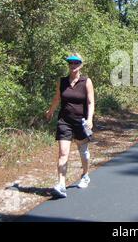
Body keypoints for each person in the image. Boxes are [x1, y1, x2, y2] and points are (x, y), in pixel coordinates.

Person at [45, 53, 95, 198]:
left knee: (83, 151)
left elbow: (91, 102)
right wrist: (50, 111)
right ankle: (61, 184)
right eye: (70, 63)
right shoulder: (62, 81)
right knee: (63, 153)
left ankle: (85, 175)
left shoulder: (86, 81)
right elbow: (57, 98)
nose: (73, 65)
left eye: (76, 63)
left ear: (81, 65)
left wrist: (90, 119)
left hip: (81, 122)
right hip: (64, 121)